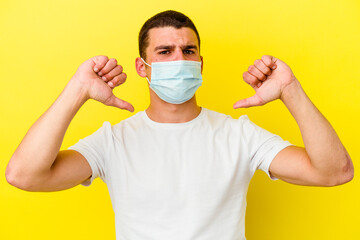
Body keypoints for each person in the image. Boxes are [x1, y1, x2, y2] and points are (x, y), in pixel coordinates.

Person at [6, 10, 353, 240]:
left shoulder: (239, 135)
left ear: (201, 64)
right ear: (143, 67)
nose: (178, 59)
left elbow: (334, 172)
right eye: (165, 51)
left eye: (188, 51)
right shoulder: (113, 142)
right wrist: (77, 91)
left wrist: (290, 90)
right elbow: (25, 175)